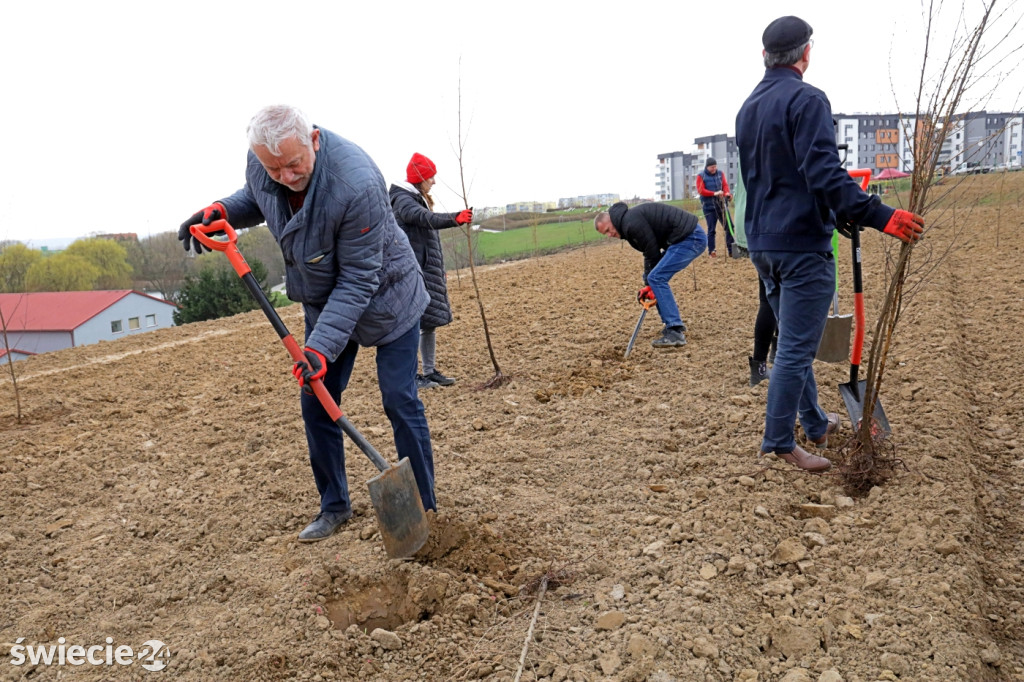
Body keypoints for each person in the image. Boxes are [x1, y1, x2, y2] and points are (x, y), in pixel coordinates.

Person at [178, 105, 437, 542]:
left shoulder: (357, 182)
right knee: (316, 399)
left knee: (399, 399)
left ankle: (425, 510)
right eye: (273, 167)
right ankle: (334, 505)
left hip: (386, 294)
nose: (286, 176)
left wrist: (319, 348)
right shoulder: (266, 164)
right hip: (323, 298)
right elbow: (259, 197)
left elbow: (358, 279)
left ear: (313, 140)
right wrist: (221, 209)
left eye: (294, 164)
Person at [735, 16, 923, 472]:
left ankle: (816, 423)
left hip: (763, 244)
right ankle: (779, 443)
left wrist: (839, 213)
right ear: (806, 54)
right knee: (796, 349)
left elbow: (782, 177)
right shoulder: (807, 99)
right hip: (801, 247)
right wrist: (880, 215)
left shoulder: (748, 107)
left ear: (765, 56)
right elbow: (822, 173)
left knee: (790, 340)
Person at [389, 153, 473, 391]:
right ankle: (411, 376)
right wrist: (455, 218)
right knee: (411, 324)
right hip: (411, 272)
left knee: (427, 323)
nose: (434, 181)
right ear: (420, 178)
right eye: (430, 177)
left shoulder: (416, 197)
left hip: (424, 270)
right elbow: (424, 218)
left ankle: (429, 371)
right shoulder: (403, 200)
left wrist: (437, 271)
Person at [594, 202, 707, 348]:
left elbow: (652, 253)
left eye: (608, 230)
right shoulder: (628, 222)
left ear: (612, 220)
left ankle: (674, 330)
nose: (610, 235)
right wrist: (648, 285)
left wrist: (650, 283)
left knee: (656, 278)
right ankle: (671, 326)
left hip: (691, 238)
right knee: (653, 278)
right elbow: (650, 253)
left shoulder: (631, 224)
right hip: (683, 239)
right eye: (606, 234)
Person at [730, 163, 777, 387]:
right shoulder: (773, 144)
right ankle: (766, 364)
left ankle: (768, 359)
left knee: (770, 295)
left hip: (748, 222)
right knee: (776, 297)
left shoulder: (747, 143)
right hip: (770, 223)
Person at [695, 158, 733, 258]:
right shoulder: (701, 176)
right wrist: (714, 193)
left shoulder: (720, 173)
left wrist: (727, 193)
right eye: (712, 167)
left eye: (715, 166)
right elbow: (700, 190)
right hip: (709, 207)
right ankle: (712, 251)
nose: (714, 169)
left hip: (722, 205)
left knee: (730, 227)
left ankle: (731, 250)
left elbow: (725, 185)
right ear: (707, 167)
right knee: (711, 230)